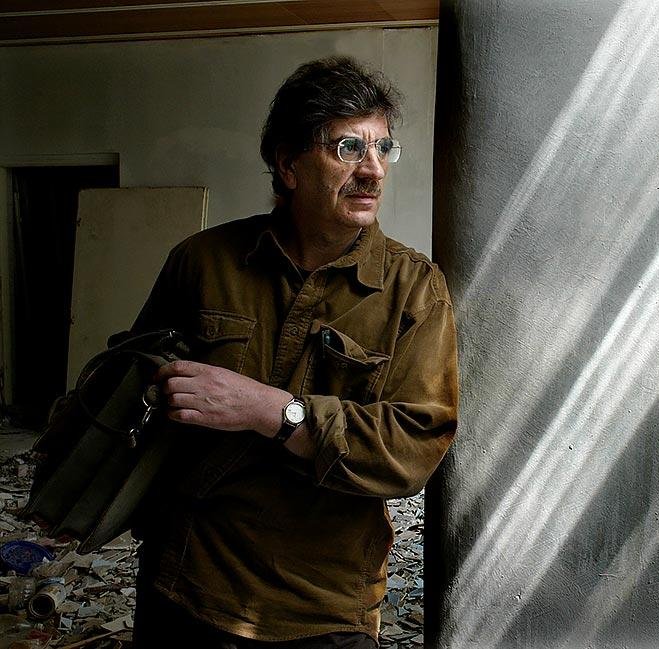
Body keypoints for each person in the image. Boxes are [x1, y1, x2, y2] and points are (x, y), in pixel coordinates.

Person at [129, 57, 459, 648]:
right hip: (185, 587)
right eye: (348, 148)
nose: (372, 170)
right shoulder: (202, 262)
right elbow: (131, 387)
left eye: (383, 148)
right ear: (288, 164)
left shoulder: (415, 290)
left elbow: (410, 451)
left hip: (322, 608)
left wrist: (272, 411)